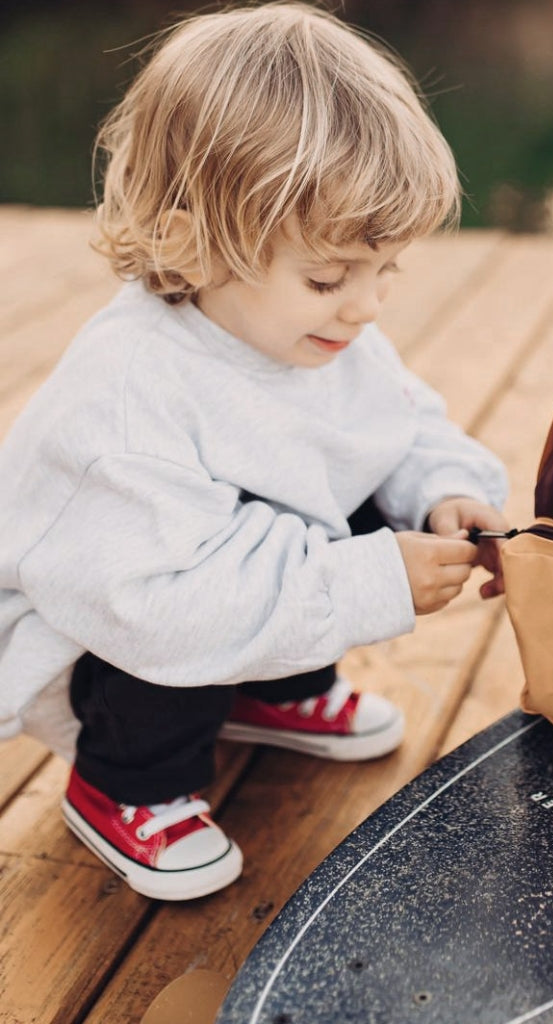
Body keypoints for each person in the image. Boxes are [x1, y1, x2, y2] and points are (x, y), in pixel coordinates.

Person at [0, 1, 509, 901]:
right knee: (227, 585)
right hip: (112, 641)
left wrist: (444, 490)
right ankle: (125, 788)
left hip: (229, 586)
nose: (366, 307)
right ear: (194, 240)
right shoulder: (127, 395)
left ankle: (270, 688)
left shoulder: (314, 333)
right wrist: (369, 581)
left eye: (385, 271)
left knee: (344, 485)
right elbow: (159, 606)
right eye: (327, 277)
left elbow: (394, 424)